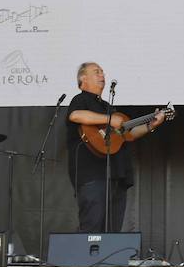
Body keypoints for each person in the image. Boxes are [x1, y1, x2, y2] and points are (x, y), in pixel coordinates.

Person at [65, 61, 168, 232]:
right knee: (92, 227)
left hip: (116, 175)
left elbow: (129, 135)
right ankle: (84, 260)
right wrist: (109, 119)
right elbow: (75, 115)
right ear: (83, 78)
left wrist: (151, 125)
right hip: (92, 174)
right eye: (96, 72)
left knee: (112, 231)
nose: (102, 75)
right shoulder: (80, 99)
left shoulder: (108, 107)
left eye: (102, 72)